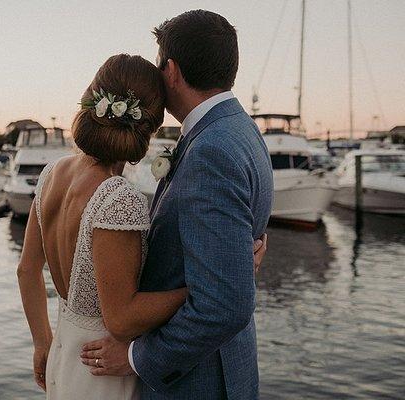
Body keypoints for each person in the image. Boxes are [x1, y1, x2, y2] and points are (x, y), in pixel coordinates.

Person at [17, 53, 268, 399]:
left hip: (64, 354)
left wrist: (42, 342)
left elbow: (27, 270)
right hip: (102, 369)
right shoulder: (117, 197)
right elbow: (121, 319)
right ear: (147, 127)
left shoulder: (51, 173)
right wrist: (211, 281)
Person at [79, 10, 274, 400]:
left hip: (198, 382)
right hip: (225, 370)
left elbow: (224, 305)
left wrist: (137, 357)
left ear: (170, 70)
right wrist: (235, 264)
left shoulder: (211, 150)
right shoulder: (239, 129)